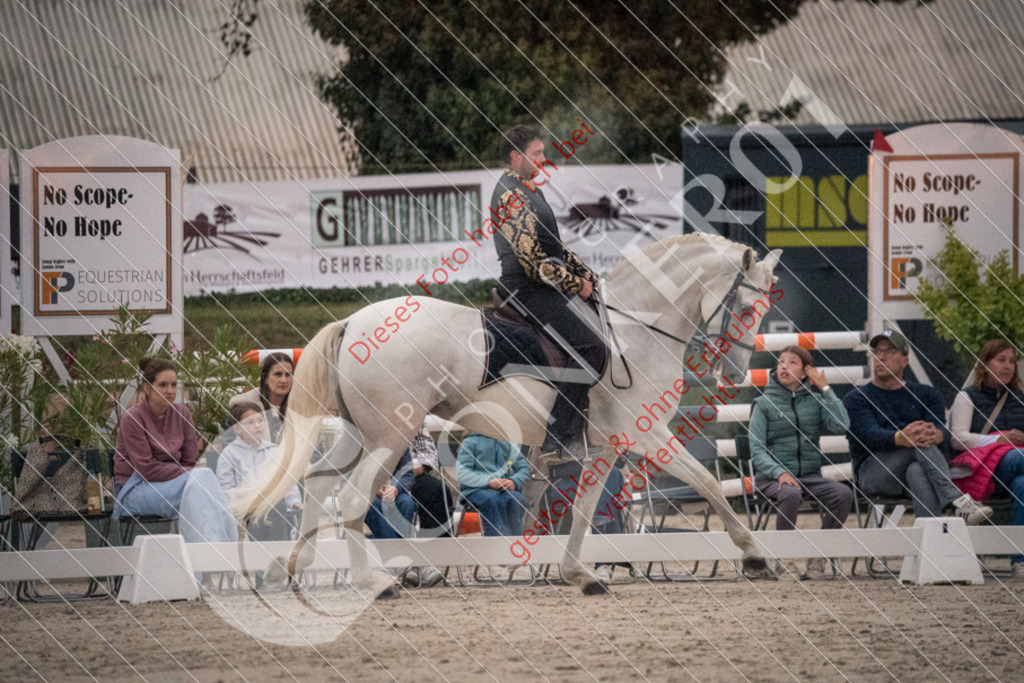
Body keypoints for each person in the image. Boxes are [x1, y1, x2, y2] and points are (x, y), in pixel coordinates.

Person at [492, 124, 604, 463]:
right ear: (516, 156)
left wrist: (588, 275)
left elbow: (554, 248)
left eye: (542, 152)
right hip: (526, 289)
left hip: (540, 284)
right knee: (592, 347)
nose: (544, 158)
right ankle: (558, 438)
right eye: (537, 153)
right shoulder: (511, 195)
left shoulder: (530, 190)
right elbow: (533, 262)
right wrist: (575, 285)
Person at [843, 329, 992, 524]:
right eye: (877, 352)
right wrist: (900, 438)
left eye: (889, 352)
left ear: (905, 360)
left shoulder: (927, 394)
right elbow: (868, 435)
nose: (881, 357)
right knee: (919, 443)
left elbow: (941, 432)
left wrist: (937, 435)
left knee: (917, 468)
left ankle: (930, 545)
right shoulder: (856, 398)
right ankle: (956, 500)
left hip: (921, 469)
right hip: (874, 474)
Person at [748, 345, 853, 579]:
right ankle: (783, 559)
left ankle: (819, 558)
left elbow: (841, 425)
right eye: (781, 361)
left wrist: (825, 388)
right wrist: (779, 473)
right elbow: (757, 450)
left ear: (806, 371)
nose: (784, 366)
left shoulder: (816, 400)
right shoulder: (763, 404)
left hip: (810, 477)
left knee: (843, 494)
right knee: (791, 493)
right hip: (772, 480)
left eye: (792, 362)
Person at [113, 358, 238, 549]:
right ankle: (219, 553)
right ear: (147, 388)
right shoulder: (133, 419)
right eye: (163, 385)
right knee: (201, 483)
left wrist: (187, 473)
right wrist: (186, 473)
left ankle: (205, 559)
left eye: (173, 385)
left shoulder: (183, 414)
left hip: (179, 485)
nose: (170, 391)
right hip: (136, 488)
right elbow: (147, 469)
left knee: (198, 490)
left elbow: (191, 460)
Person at [948, 339, 1024, 579]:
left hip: (1013, 469)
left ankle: (1019, 561)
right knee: (1016, 456)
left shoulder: (1020, 398)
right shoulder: (967, 397)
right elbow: (957, 440)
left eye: (1011, 361)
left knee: (1023, 484)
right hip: (984, 469)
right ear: (984, 364)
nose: (1007, 366)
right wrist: (998, 440)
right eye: (1000, 360)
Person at [216, 402, 302, 542]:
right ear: (237, 428)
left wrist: (295, 501)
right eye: (250, 422)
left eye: (260, 420)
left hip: (273, 506)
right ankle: (273, 553)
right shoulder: (229, 455)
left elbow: (287, 482)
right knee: (267, 512)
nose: (257, 425)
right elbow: (227, 490)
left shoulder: (274, 451)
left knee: (277, 508)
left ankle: (276, 552)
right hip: (247, 510)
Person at [456, 434, 530, 537]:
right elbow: (463, 474)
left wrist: (514, 482)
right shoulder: (470, 442)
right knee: (492, 500)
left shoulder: (509, 444)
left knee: (516, 499)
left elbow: (524, 468)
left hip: (502, 491)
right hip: (474, 490)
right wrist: (489, 482)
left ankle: (515, 538)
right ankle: (497, 539)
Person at [229, 352, 294, 441]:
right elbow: (232, 447)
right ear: (265, 378)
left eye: (288, 375)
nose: (284, 380)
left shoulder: (302, 408)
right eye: (278, 374)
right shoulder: (243, 408)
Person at [363, 449, 417, 540]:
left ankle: (396, 545)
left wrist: (396, 488)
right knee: (370, 504)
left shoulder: (399, 440)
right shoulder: (362, 440)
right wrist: (375, 488)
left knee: (406, 503)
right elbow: (352, 475)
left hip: (395, 489)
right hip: (368, 492)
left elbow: (408, 475)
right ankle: (398, 548)